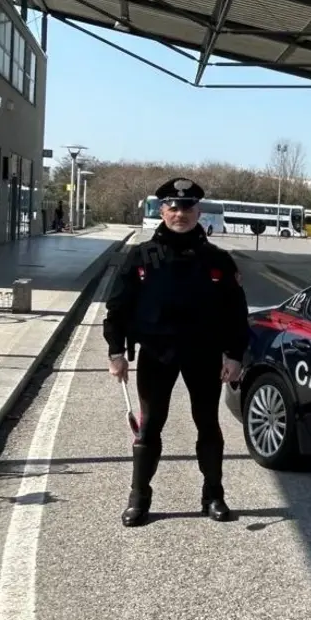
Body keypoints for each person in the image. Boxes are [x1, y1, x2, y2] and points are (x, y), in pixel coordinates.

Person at [103, 177, 250, 527]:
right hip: (157, 353)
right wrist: (115, 352)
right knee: (150, 427)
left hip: (203, 354)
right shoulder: (140, 257)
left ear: (198, 211)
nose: (179, 213)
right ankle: (139, 498)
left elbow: (235, 313)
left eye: (187, 207)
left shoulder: (217, 260)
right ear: (161, 210)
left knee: (208, 424)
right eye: (172, 206)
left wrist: (234, 355)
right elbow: (117, 309)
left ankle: (213, 495)